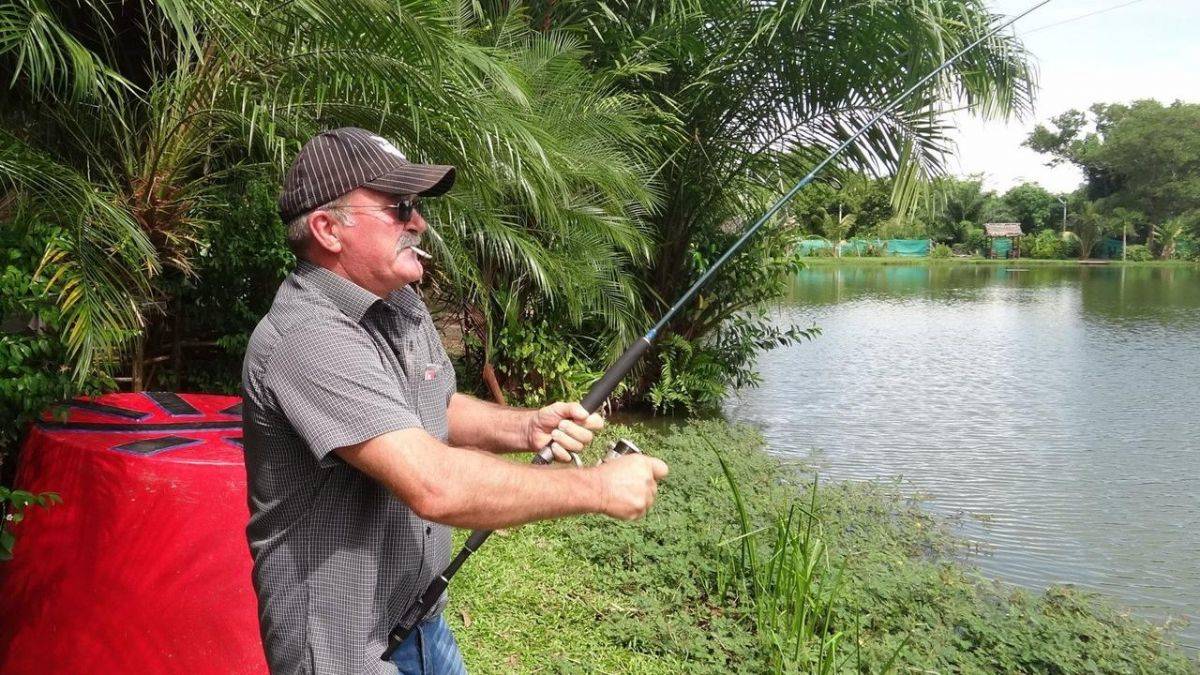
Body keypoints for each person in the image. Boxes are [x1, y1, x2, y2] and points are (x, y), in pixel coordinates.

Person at [241, 127, 669, 674]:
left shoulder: (398, 304)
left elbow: (434, 406)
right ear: (328, 229)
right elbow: (434, 484)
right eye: (399, 208)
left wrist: (527, 429)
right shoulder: (305, 339)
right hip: (342, 647)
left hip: (420, 620)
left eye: (415, 206)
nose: (418, 222)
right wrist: (598, 487)